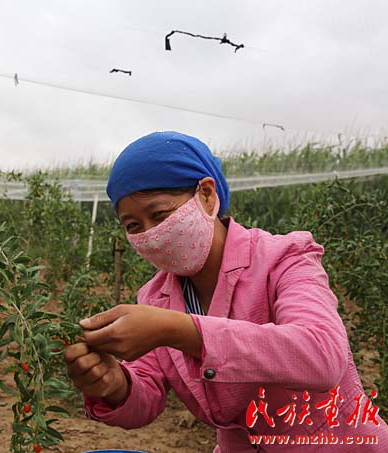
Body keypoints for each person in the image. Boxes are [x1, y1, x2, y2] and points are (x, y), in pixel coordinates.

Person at [64, 131, 388, 452]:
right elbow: (146, 393)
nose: (151, 234)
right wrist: (115, 384)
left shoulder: (284, 257)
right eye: (133, 226)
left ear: (206, 195)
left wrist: (177, 330)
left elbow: (322, 355)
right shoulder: (155, 297)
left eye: (160, 215)